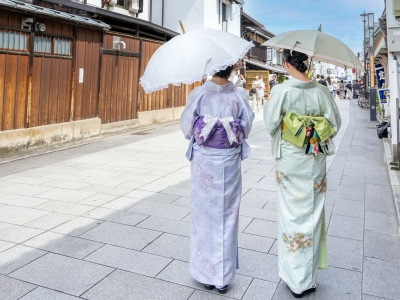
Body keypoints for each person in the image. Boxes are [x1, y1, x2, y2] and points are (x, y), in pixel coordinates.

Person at [263, 49, 341, 298]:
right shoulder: (322, 90)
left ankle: (294, 277)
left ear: (286, 64)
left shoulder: (282, 91)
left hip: (290, 160)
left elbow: (270, 123)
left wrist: (293, 127)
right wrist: (313, 130)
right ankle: (308, 278)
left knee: (290, 213)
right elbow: (335, 123)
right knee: (314, 211)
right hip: (314, 158)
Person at [180, 65, 254, 295]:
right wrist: (229, 128)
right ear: (232, 68)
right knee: (228, 214)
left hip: (204, 162)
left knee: (203, 214)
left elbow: (186, 127)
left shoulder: (199, 94)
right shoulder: (239, 95)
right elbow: (247, 126)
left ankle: (206, 273)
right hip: (229, 160)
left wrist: (207, 128)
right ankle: (223, 276)